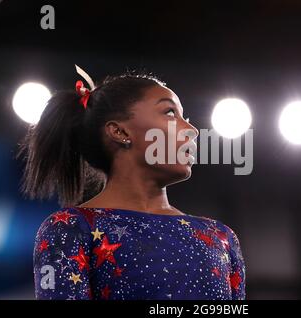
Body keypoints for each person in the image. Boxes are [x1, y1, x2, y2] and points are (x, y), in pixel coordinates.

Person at [17, 66, 246, 300]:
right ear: (119, 131)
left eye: (184, 117)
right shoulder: (71, 229)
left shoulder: (220, 237)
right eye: (170, 113)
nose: (192, 130)